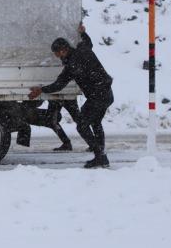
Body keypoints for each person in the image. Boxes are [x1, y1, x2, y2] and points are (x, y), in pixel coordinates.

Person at [28, 24, 114, 168]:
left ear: (63, 50)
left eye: (57, 54)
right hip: (106, 93)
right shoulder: (82, 49)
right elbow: (89, 43)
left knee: (82, 125)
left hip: (97, 96)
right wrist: (83, 33)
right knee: (95, 122)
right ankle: (100, 152)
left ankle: (100, 156)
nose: (57, 57)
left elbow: (58, 84)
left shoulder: (72, 65)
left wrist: (41, 90)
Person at [16, 99, 80, 151]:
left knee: (52, 120)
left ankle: (68, 143)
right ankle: (68, 143)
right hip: (58, 94)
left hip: (57, 95)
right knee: (52, 120)